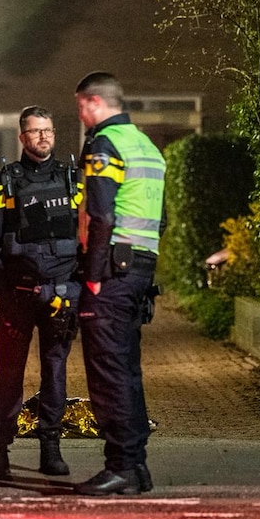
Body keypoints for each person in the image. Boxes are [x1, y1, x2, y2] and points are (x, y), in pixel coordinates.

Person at [0, 105, 83, 480]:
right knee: (9, 374)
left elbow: (85, 234)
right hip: (17, 297)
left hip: (60, 295)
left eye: (48, 131)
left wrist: (80, 285)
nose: (43, 138)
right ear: (22, 137)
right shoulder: (4, 181)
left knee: (55, 372)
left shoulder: (73, 180)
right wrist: (2, 285)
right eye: (35, 131)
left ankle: (50, 447)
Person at [72, 72, 166, 496]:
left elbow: (102, 215)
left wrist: (91, 278)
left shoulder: (104, 144)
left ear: (94, 102)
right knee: (127, 367)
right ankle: (137, 465)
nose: (82, 117)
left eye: (81, 107)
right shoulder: (145, 145)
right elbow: (161, 218)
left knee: (107, 370)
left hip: (111, 270)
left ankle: (121, 467)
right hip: (141, 266)